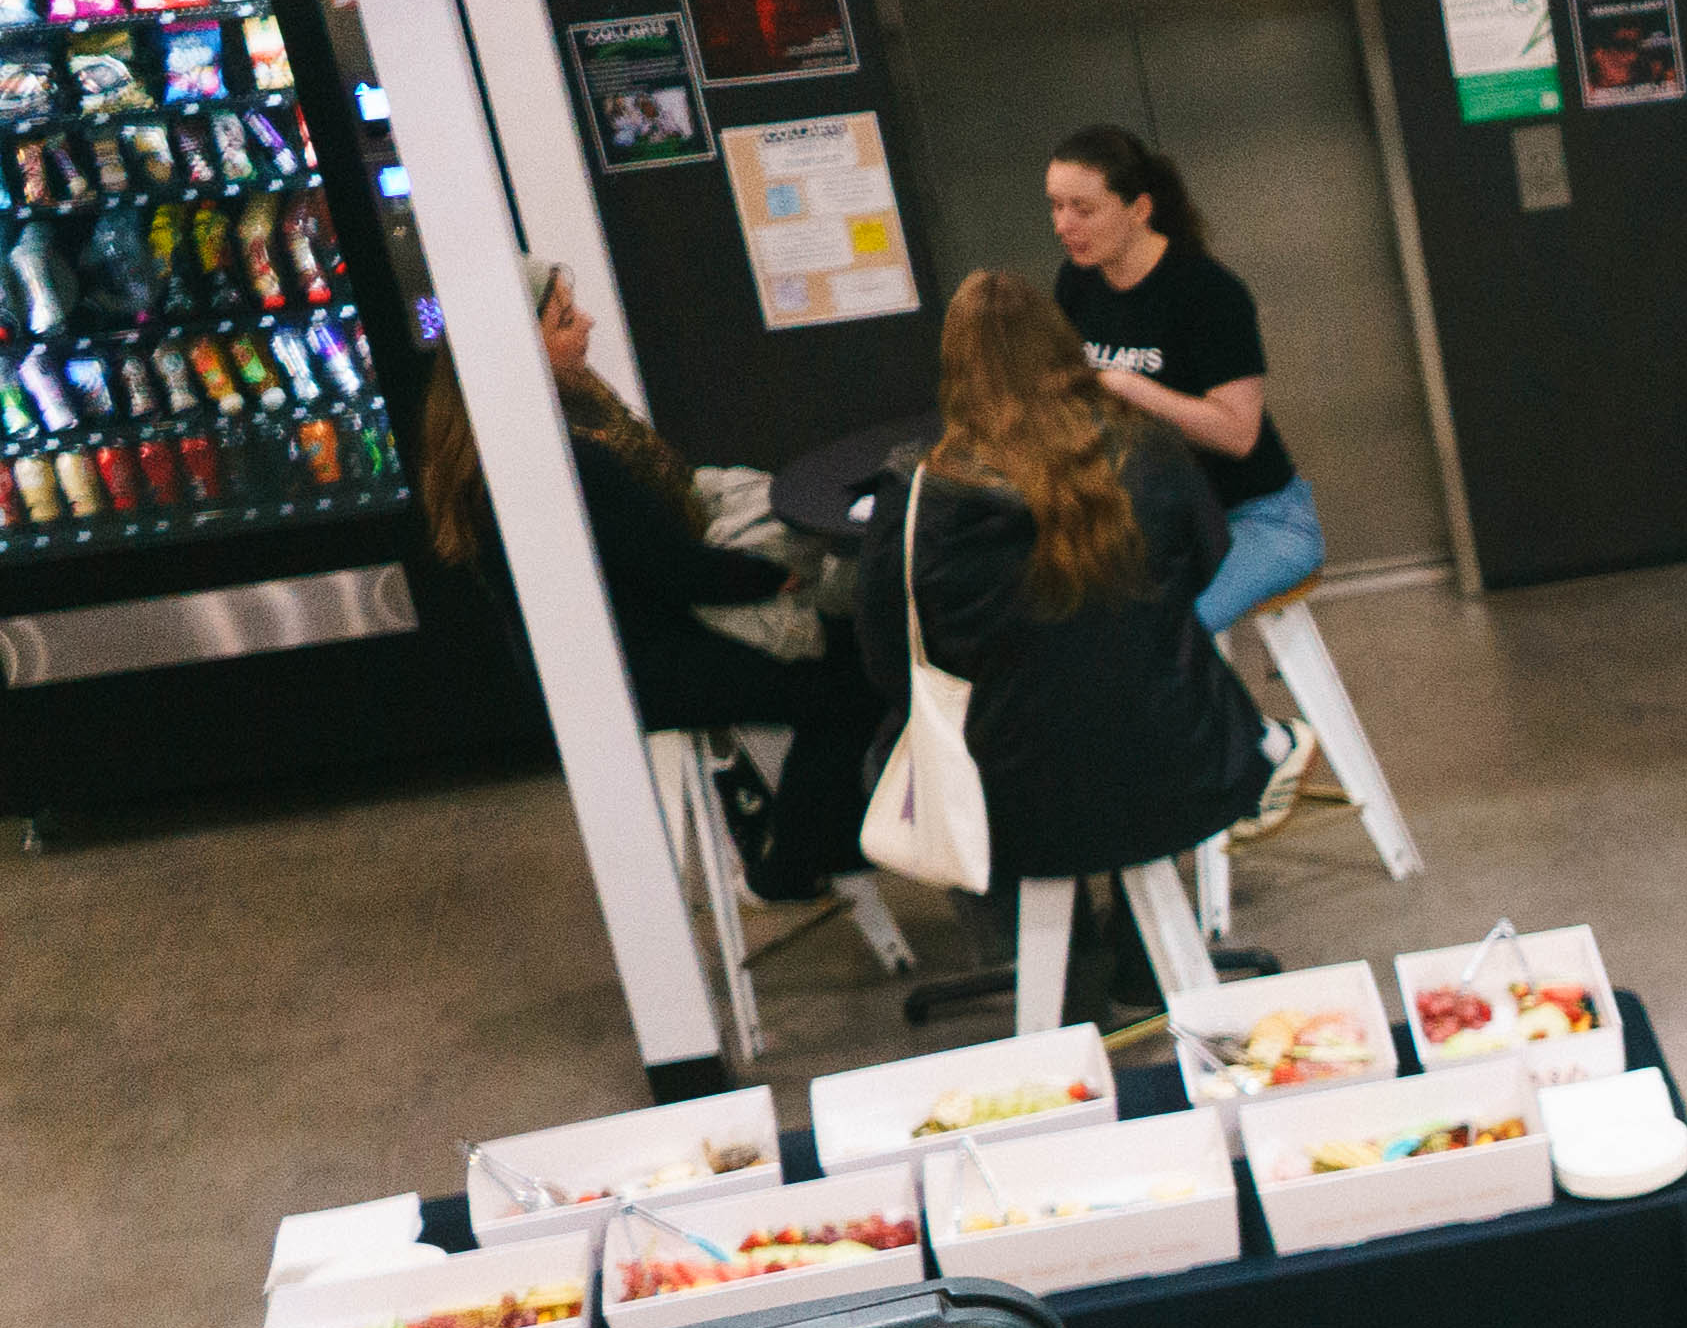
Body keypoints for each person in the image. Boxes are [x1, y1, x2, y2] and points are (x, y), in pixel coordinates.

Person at [407, 264, 883, 900]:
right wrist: (780, 574)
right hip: (636, 666)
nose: (587, 323)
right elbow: (680, 571)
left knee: (847, 657)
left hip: (604, 653)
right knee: (853, 679)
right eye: (566, 319)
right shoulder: (572, 458)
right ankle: (791, 866)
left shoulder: (501, 443)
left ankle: (808, 843)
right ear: (523, 348)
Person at [869, 275, 1269, 941]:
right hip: (1181, 763)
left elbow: (889, 659)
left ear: (957, 369)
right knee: (1135, 690)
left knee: (889, 750)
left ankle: (1048, 959)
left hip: (1012, 797)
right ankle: (1145, 961)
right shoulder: (1151, 452)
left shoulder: (918, 497)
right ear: (1066, 351)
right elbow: (1208, 562)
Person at [1041, 125, 1324, 824]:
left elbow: (1238, 431)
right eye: (1055, 207)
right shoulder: (1076, 285)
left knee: (1161, 633)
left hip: (1259, 520)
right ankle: (1173, 792)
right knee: (1082, 628)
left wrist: (1131, 389)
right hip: (1160, 519)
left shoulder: (1207, 292)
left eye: (1084, 207)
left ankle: (1265, 746)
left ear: (1138, 208)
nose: (1065, 226)